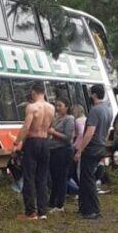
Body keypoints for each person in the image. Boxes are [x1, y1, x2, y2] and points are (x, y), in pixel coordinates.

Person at [14, 83, 54, 220]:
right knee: (42, 178)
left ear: (33, 93)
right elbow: (49, 126)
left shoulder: (32, 107)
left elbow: (26, 126)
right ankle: (43, 211)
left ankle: (31, 212)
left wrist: (17, 142)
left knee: (29, 177)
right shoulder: (51, 108)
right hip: (45, 141)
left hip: (32, 141)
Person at [74, 85, 112, 218]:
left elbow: (89, 132)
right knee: (85, 178)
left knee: (88, 179)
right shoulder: (107, 110)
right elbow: (107, 131)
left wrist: (80, 150)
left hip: (91, 148)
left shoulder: (95, 110)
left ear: (94, 95)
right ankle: (83, 207)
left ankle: (93, 209)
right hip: (100, 147)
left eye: (91, 94)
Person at [47, 97, 75, 212]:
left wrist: (54, 133)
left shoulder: (69, 119)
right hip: (52, 150)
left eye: (60, 106)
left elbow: (68, 138)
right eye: (56, 106)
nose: (57, 108)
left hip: (63, 150)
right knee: (54, 177)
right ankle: (52, 201)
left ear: (66, 107)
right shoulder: (56, 118)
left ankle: (60, 204)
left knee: (61, 177)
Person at [69, 104, 87, 189]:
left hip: (78, 146)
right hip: (86, 146)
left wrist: (75, 143)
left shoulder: (78, 121)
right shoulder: (86, 119)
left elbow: (81, 132)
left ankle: (79, 187)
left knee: (75, 169)